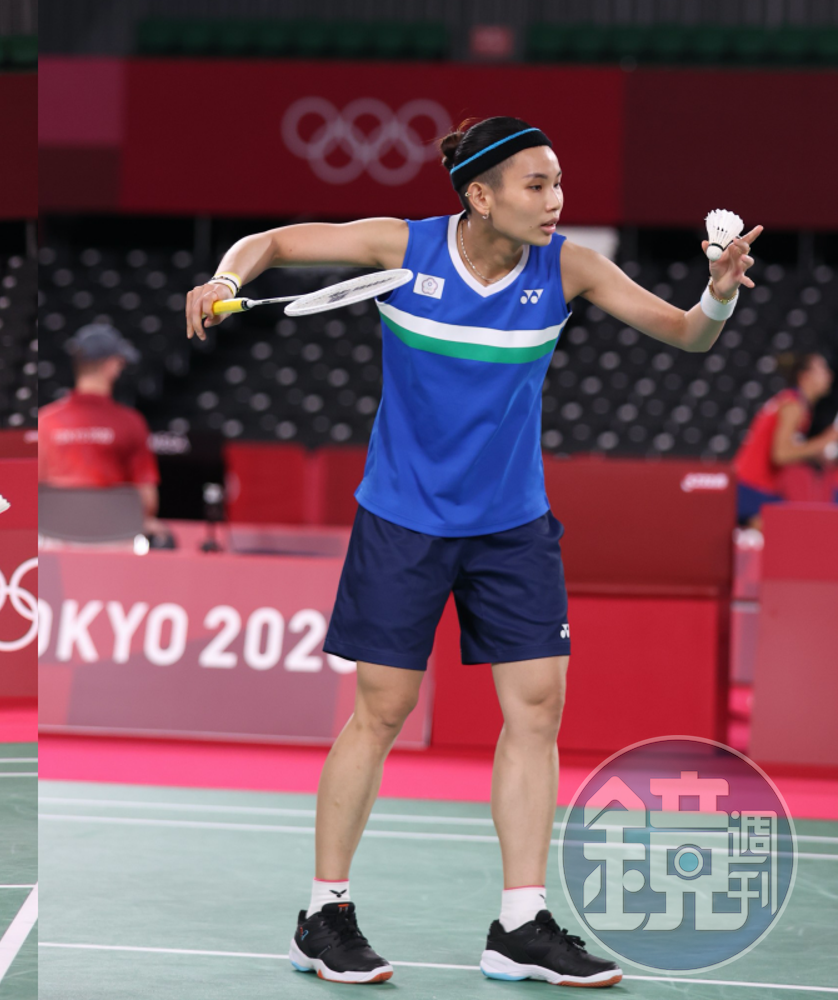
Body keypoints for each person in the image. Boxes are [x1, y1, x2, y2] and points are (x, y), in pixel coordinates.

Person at [185, 116, 759, 988]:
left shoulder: (568, 267)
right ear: (481, 195)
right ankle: (323, 914)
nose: (555, 200)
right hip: (403, 519)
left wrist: (718, 293)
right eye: (537, 184)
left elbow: (688, 334)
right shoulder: (401, 247)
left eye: (558, 182)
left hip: (512, 525)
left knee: (536, 714)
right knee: (381, 713)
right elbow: (273, 242)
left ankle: (520, 924)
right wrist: (226, 278)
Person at [37, 322, 163, 535]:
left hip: (54, 540)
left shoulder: (44, 421)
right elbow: (148, 503)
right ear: (111, 366)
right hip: (115, 539)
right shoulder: (132, 422)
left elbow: (34, 492)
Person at [731, 352, 837, 528]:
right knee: (795, 534)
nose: (829, 375)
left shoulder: (791, 401)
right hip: (752, 489)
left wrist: (815, 454)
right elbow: (780, 454)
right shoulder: (794, 406)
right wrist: (827, 438)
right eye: (823, 369)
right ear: (805, 376)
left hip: (753, 487)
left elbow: (788, 448)